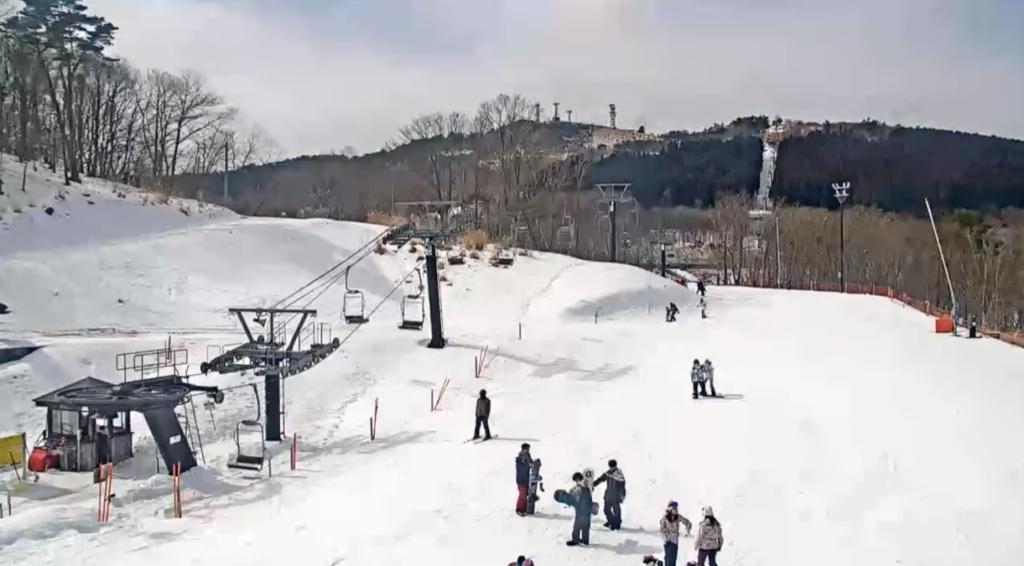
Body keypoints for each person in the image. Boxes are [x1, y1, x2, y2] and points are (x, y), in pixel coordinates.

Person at [593, 459, 626, 530]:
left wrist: (622, 495)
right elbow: (601, 479)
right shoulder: (608, 473)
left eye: (612, 467)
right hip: (608, 494)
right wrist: (593, 484)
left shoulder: (619, 474)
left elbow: (622, 486)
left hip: (616, 495)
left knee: (616, 510)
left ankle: (616, 524)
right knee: (606, 509)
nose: (611, 468)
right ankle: (611, 521)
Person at [659, 501, 691, 566]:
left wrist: (687, 531)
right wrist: (666, 537)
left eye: (676, 508)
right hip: (667, 542)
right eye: (674, 508)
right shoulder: (664, 518)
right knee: (668, 560)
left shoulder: (678, 517)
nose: (676, 510)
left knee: (672, 560)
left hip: (674, 542)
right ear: (670, 509)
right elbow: (662, 529)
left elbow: (688, 523)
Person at [566, 471, 592, 546]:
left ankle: (575, 540)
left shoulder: (580, 487)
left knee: (576, 526)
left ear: (577, 479)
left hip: (581, 509)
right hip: (587, 509)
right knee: (585, 527)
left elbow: (574, 494)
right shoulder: (586, 485)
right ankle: (585, 540)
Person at [515, 443, 533, 516]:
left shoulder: (528, 456)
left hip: (526, 478)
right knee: (522, 494)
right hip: (521, 479)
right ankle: (519, 508)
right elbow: (522, 466)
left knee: (525, 494)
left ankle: (524, 507)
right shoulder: (519, 458)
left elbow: (530, 464)